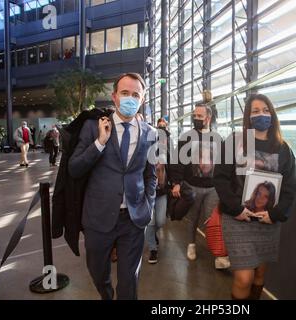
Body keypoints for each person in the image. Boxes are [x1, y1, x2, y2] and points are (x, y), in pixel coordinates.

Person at [68, 73, 157, 300]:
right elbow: (74, 168)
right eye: (125, 93)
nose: (130, 98)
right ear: (114, 97)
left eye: (135, 94)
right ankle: (106, 295)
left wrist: (149, 206)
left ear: (142, 99)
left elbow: (151, 175)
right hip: (98, 218)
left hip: (134, 219)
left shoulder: (151, 133)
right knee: (98, 272)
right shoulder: (93, 127)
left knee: (129, 282)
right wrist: (99, 143)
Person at [213, 93, 296, 300]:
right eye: (256, 111)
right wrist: (237, 209)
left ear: (273, 114)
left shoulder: (284, 148)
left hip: (267, 221)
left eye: (266, 110)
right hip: (237, 218)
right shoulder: (235, 142)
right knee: (244, 278)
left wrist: (275, 214)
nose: (262, 115)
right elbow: (220, 179)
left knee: (260, 274)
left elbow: (288, 188)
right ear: (248, 117)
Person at [171, 102, 230, 270]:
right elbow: (178, 161)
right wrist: (176, 183)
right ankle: (191, 244)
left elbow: (223, 163)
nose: (196, 119)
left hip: (212, 188)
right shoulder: (186, 137)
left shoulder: (218, 138)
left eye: (199, 116)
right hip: (192, 185)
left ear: (208, 118)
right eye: (194, 116)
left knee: (213, 220)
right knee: (194, 218)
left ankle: (219, 255)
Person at [145, 118, 172, 264]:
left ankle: (153, 235)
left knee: (160, 221)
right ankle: (153, 249)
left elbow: (173, 171)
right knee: (150, 221)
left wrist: (175, 183)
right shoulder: (146, 152)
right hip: (148, 193)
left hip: (162, 192)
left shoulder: (168, 155)